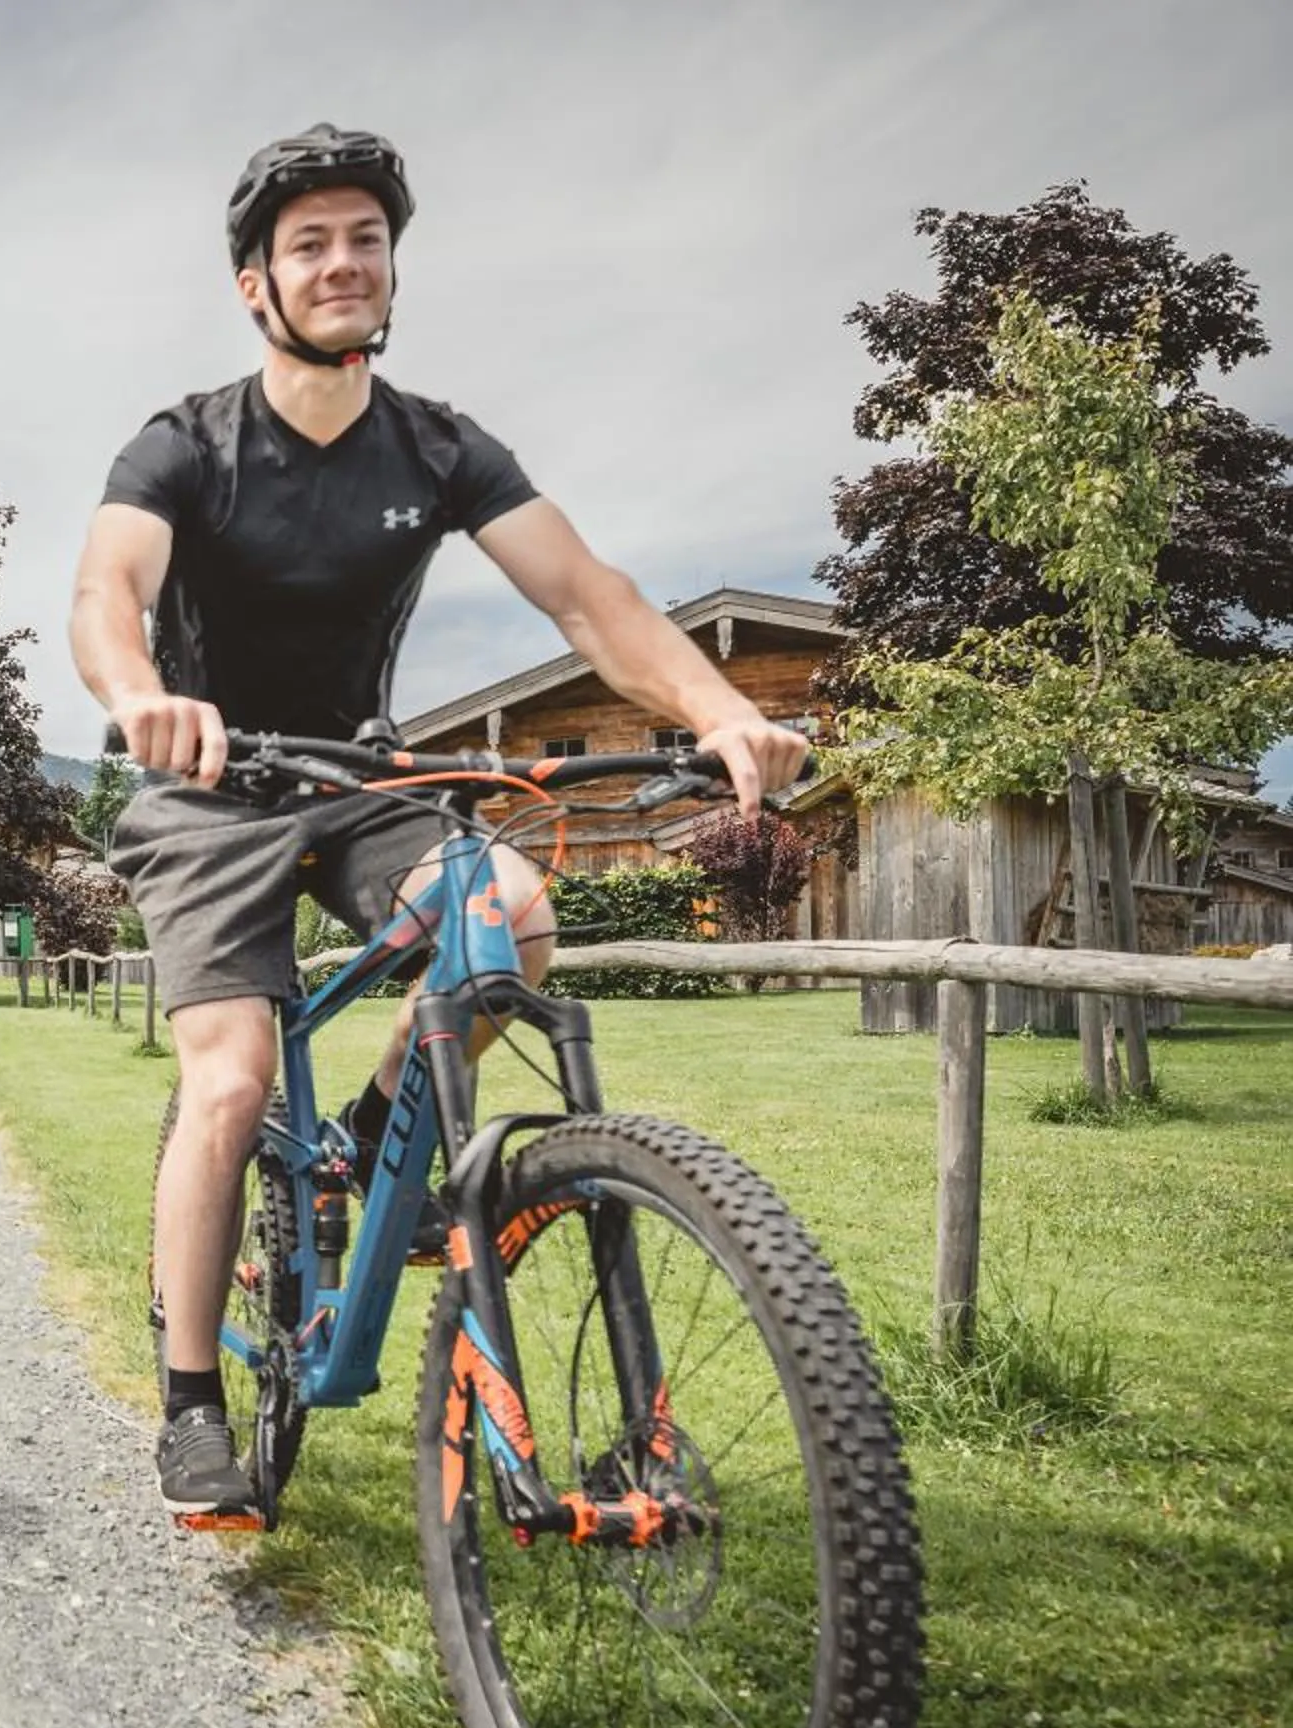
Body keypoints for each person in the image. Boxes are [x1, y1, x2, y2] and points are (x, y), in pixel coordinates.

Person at [69, 126, 809, 1517]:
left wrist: (718, 708)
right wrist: (143, 694)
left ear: (391, 268)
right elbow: (107, 591)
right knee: (227, 1080)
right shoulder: (186, 444)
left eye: (364, 239)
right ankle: (188, 1400)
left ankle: (362, 1140)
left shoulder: (442, 447)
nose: (342, 262)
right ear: (256, 285)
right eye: (309, 244)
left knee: (509, 918)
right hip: (208, 781)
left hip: (362, 778)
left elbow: (591, 598)